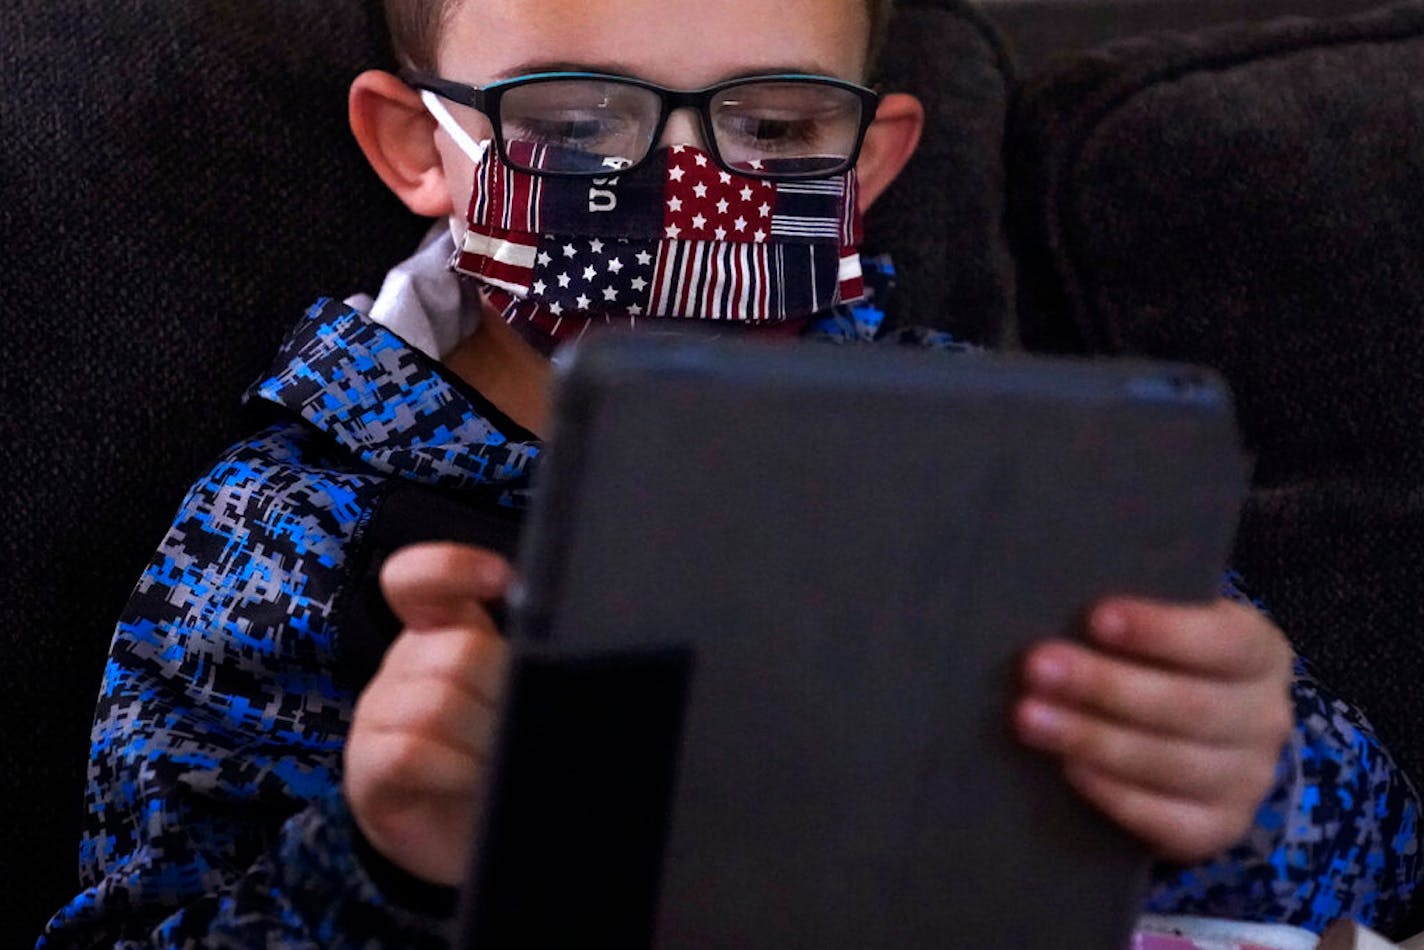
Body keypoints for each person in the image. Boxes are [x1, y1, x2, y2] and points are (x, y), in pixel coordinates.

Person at [41, 0, 1420, 945]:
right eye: (576, 124)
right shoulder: (289, 521)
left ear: (866, 162)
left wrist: (1252, 776)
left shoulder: (997, 453)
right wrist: (382, 850)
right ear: (421, 147)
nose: (688, 188)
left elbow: (1386, 855)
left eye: (771, 129)